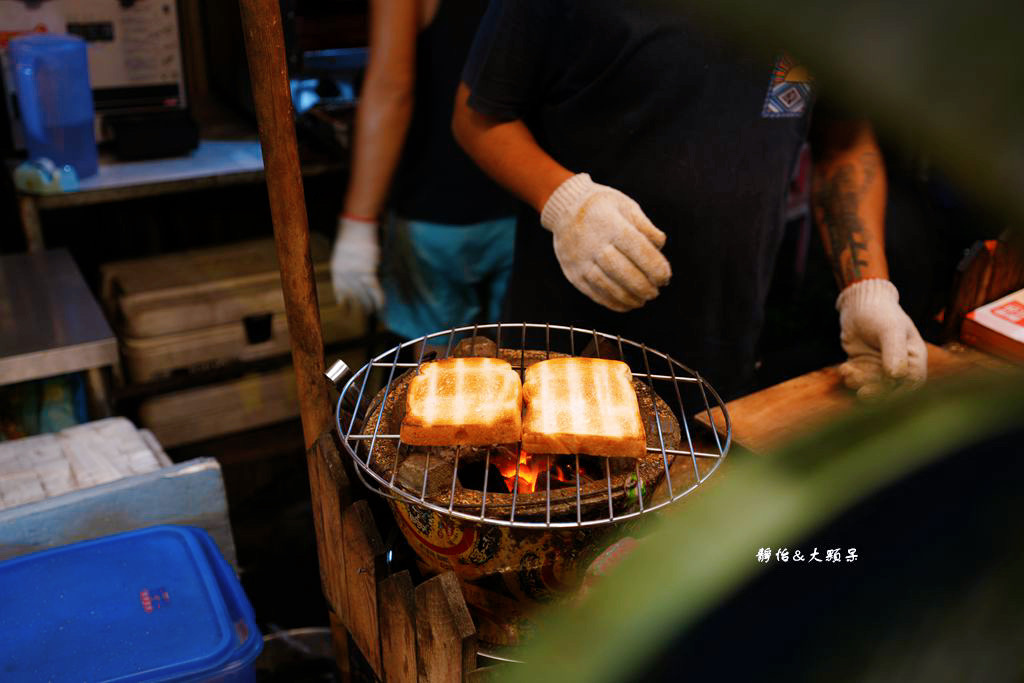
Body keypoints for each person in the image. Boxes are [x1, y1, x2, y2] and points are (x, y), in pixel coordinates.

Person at [452, 0, 926, 399]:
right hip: (568, 344)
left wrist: (866, 289)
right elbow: (478, 118)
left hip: (724, 344)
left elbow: (844, 142)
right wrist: (564, 201)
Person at [330, 0, 516, 340]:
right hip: (528, 196)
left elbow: (392, 87)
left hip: (436, 214)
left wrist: (358, 222)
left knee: (441, 377)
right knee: (521, 362)